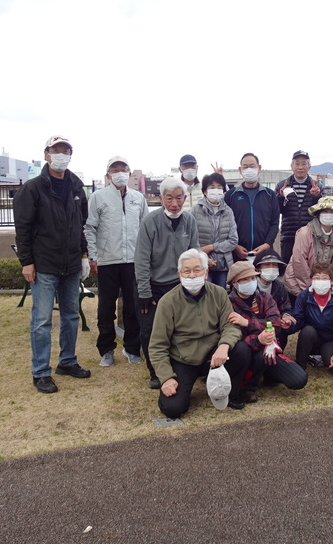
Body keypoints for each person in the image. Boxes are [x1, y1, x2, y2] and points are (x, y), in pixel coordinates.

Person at [13, 135, 91, 394]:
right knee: (42, 320)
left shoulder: (76, 187)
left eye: (66, 150)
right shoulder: (33, 188)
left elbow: (81, 225)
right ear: (46, 154)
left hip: (70, 263)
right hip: (44, 264)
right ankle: (40, 371)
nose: (61, 155)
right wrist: (27, 262)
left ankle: (67, 361)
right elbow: (23, 228)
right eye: (56, 150)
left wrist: (83, 256)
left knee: (70, 316)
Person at [149, 250, 250, 418]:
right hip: (183, 359)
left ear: (206, 272)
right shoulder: (167, 302)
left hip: (212, 355)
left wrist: (224, 346)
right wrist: (166, 377)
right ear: (179, 274)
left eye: (197, 270)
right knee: (172, 409)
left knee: (241, 350)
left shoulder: (218, 293)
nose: (192, 275)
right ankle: (188, 385)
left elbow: (230, 326)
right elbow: (157, 345)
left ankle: (232, 393)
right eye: (186, 271)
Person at [135, 176, 199, 389]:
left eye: (179, 198)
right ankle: (155, 372)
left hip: (180, 284)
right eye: (169, 198)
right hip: (153, 286)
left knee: (182, 328)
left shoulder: (189, 220)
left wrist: (194, 282)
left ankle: (181, 366)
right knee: (151, 330)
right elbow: (142, 260)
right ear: (161, 198)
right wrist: (144, 292)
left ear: (185, 197)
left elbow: (194, 252)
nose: (174, 204)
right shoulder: (150, 222)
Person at [84, 155, 148, 367]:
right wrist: (93, 256)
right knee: (105, 307)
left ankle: (131, 347)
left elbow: (145, 228)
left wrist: (145, 258)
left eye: (123, 169)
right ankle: (106, 349)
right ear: (108, 174)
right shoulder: (98, 197)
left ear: (129, 174)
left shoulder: (138, 198)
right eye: (115, 169)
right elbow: (90, 228)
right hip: (107, 261)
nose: (119, 172)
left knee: (132, 306)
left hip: (132, 261)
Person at [227, 261, 307, 403]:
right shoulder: (228, 303)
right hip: (242, 354)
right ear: (234, 283)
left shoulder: (265, 297)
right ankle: (248, 388)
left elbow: (275, 323)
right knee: (245, 350)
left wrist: (247, 323)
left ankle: (267, 374)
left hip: (268, 348)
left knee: (299, 379)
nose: (251, 281)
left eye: (253, 278)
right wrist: (258, 338)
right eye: (245, 279)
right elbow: (234, 334)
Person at [290, 263, 333, 376]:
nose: (320, 281)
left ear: (332, 280)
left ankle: (329, 356)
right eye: (316, 278)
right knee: (307, 330)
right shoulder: (304, 296)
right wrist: (289, 325)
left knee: (331, 363)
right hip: (312, 337)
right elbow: (297, 321)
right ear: (311, 280)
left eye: (324, 278)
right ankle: (300, 365)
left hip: (330, 339)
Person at [284, 196, 333, 297]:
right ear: (318, 214)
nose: (329, 215)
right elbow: (299, 261)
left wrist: (329, 283)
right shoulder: (305, 233)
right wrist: (311, 286)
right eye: (325, 211)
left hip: (322, 285)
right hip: (297, 284)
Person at [224, 153, 280, 261]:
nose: (249, 169)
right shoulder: (231, 195)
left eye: (252, 166)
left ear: (259, 168)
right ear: (240, 170)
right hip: (238, 254)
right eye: (245, 167)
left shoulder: (270, 195)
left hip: (264, 254)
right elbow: (225, 224)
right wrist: (235, 246)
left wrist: (267, 244)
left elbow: (275, 223)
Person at [275, 150, 322, 264]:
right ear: (292, 166)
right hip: (288, 235)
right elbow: (277, 210)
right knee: (288, 268)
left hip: (311, 235)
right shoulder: (282, 185)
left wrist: (317, 196)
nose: (300, 167)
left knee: (309, 268)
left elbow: (321, 212)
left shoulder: (317, 186)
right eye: (297, 163)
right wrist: (280, 197)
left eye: (304, 163)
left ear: (309, 167)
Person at [192, 173, 238, 287]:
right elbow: (189, 241)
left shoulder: (228, 211)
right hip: (201, 264)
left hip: (223, 265)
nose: (216, 190)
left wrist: (212, 247)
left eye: (219, 187)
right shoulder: (194, 212)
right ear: (205, 191)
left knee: (220, 296)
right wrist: (204, 257)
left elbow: (233, 241)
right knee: (205, 297)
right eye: (212, 188)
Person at [253, 248, 296, 349]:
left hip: (274, 323)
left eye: (274, 265)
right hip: (254, 323)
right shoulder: (250, 285)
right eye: (267, 265)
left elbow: (286, 306)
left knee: (283, 328)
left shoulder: (279, 286)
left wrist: (286, 316)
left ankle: (278, 352)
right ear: (258, 268)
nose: (271, 268)